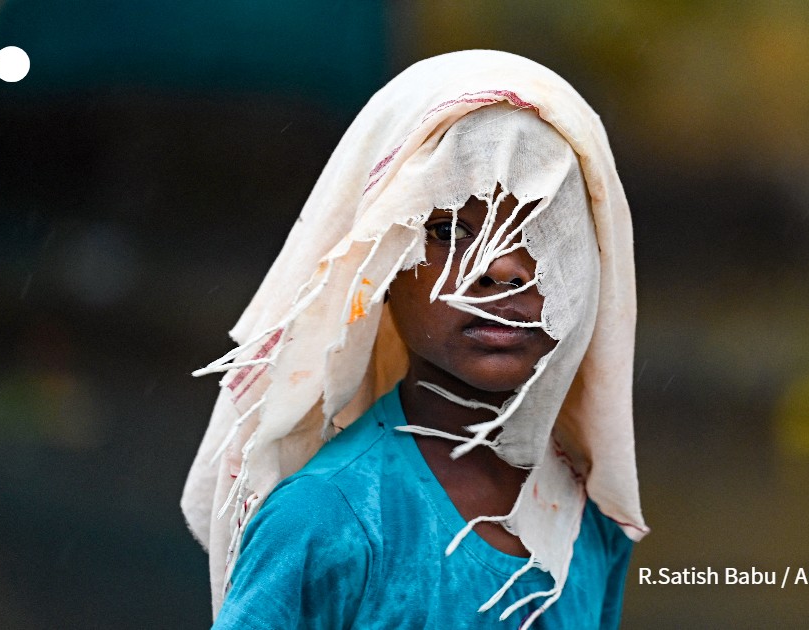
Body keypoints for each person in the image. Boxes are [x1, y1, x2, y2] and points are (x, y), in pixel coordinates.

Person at [182, 50, 648, 629]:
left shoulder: (589, 520)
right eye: (449, 228)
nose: (501, 267)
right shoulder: (326, 520)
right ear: (383, 264)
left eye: (541, 228)